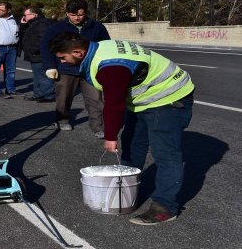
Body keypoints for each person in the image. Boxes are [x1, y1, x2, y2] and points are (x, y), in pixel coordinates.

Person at [49, 32, 194, 226]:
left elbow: (114, 104)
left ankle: (165, 207)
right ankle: (125, 190)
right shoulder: (98, 49)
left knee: (166, 154)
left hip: (169, 98)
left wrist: (110, 136)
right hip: (144, 100)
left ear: (78, 52)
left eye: (63, 58)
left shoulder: (111, 67)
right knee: (133, 142)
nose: (63, 62)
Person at [40, 0, 110, 138]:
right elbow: (45, 47)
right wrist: (50, 66)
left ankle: (98, 126)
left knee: (95, 99)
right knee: (64, 96)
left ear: (85, 13)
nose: (76, 18)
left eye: (80, 15)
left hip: (90, 68)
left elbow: (106, 45)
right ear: (67, 13)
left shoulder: (97, 27)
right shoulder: (57, 28)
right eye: (72, 15)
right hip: (66, 69)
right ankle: (62, 118)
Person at [19, 7, 56, 103]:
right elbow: (23, 35)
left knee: (43, 76)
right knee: (37, 76)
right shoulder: (33, 24)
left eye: (25, 15)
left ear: (34, 15)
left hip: (40, 55)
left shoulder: (41, 24)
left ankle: (48, 95)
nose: (24, 17)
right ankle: (39, 94)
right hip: (35, 55)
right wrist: (23, 26)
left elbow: (42, 40)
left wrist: (33, 50)